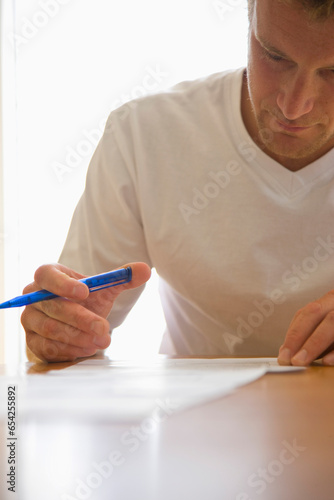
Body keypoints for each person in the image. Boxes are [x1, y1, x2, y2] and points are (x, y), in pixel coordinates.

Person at [22, 0, 334, 366]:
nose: (294, 106)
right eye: (274, 55)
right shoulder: (143, 134)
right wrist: (58, 332)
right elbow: (61, 333)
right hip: (195, 415)